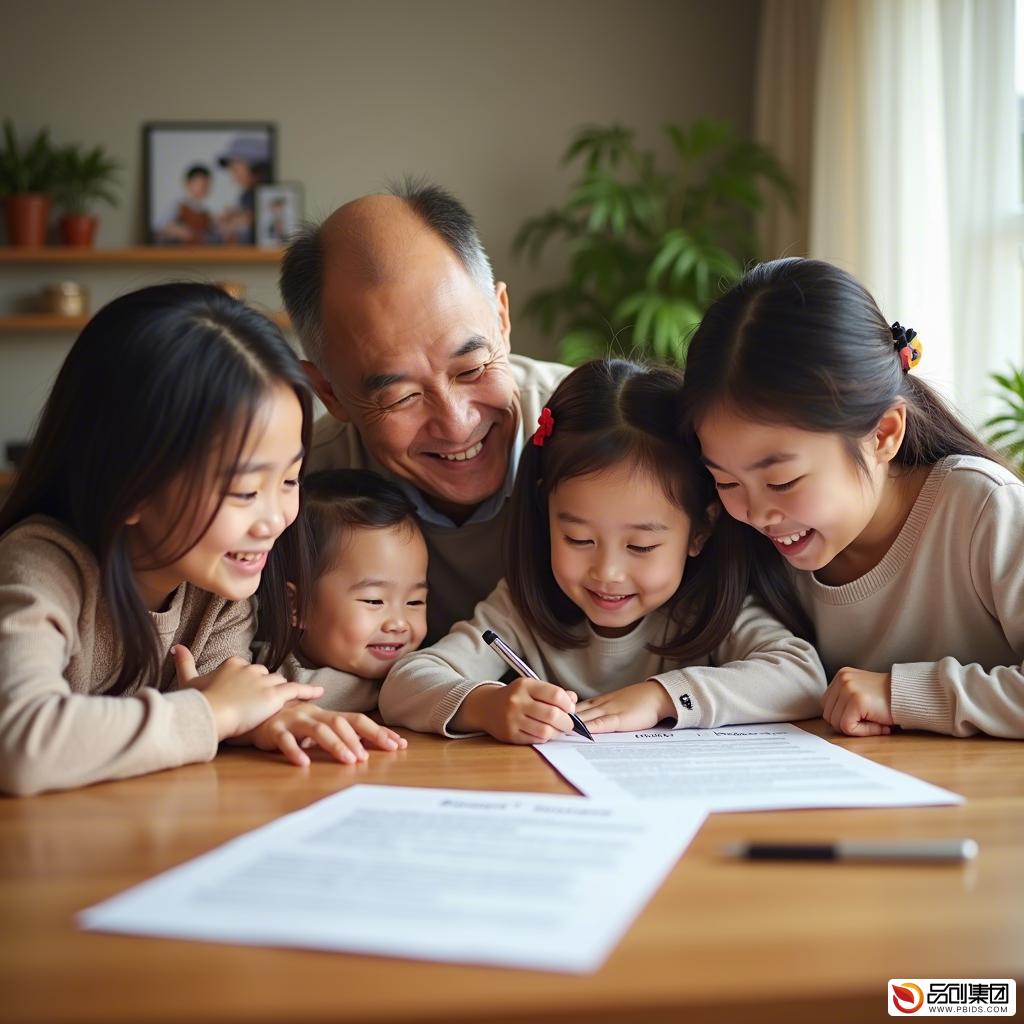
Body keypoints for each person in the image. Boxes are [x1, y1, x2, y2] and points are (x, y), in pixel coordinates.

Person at [0, 284, 398, 796]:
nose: (275, 518)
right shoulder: (41, 567)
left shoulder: (216, 588)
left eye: (290, 480)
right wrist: (215, 712)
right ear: (130, 484)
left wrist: (255, 719)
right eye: (245, 490)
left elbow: (217, 693)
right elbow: (21, 746)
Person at [378, 359, 826, 742]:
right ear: (544, 511)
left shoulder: (708, 611)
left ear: (700, 530)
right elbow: (404, 684)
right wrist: (486, 705)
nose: (607, 572)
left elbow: (801, 678)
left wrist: (662, 697)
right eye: (578, 540)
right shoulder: (518, 611)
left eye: (641, 545)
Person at [680, 258, 1024, 740]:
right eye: (727, 482)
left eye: (781, 482)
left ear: (883, 433)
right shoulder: (752, 545)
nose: (755, 513)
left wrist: (900, 694)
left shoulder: (984, 510)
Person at [280, 181, 571, 641]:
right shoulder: (293, 496)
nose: (458, 424)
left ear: (502, 317)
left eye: (472, 369)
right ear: (328, 392)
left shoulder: (613, 433)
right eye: (401, 397)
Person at [253, 469, 427, 730]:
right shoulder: (264, 670)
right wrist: (402, 690)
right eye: (374, 601)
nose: (399, 623)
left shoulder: (423, 666)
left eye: (415, 602)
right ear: (298, 605)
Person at [216, 136, 271, 244]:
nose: (233, 177)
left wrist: (244, 220)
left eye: (236, 169)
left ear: (257, 169)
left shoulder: (270, 194)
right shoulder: (246, 196)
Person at [157, 164, 216, 244]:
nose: (203, 188)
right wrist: (179, 231)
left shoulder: (206, 214)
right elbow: (161, 225)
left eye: (206, 185)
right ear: (188, 184)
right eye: (199, 184)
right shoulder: (178, 207)